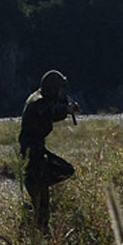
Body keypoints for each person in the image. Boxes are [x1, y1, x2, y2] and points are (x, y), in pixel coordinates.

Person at [19, 69, 79, 228]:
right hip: (33, 154)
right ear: (52, 89)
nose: (61, 93)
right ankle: (36, 186)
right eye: (59, 89)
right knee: (65, 171)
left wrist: (65, 107)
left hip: (36, 153)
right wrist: (67, 110)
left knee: (42, 206)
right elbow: (49, 113)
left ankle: (35, 194)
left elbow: (52, 112)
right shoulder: (38, 102)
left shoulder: (41, 99)